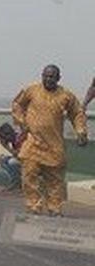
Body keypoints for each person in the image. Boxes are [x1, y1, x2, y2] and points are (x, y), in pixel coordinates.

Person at [12, 65, 88, 216]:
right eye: (45, 76)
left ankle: (54, 208)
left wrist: (80, 131)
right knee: (29, 175)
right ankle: (33, 206)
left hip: (54, 145)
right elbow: (17, 104)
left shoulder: (66, 95)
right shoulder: (32, 90)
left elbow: (77, 113)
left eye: (52, 77)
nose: (48, 79)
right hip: (33, 142)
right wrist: (22, 122)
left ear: (58, 78)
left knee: (55, 180)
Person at [0, 123, 25, 192]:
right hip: (21, 159)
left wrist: (7, 147)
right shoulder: (13, 140)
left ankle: (18, 182)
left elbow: (19, 155)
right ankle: (15, 181)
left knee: (12, 162)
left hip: (27, 160)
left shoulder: (19, 138)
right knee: (2, 160)